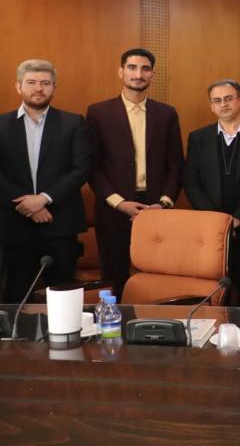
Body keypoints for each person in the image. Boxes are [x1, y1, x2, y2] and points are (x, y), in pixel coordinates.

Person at [85, 48, 184, 297]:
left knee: (158, 279)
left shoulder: (167, 114)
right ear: (121, 72)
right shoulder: (98, 113)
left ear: (152, 74)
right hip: (114, 209)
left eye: (145, 69)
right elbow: (93, 167)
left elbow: (176, 165)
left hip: (156, 209)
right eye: (132, 67)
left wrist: (163, 203)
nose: (138, 74)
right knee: (114, 277)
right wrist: (119, 203)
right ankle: (113, 321)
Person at [0, 60, 90, 302]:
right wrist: (28, 204)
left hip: (60, 225)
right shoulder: (1, 125)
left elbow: (81, 169)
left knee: (64, 299)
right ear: (18, 86)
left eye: (45, 83)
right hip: (14, 228)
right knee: (15, 299)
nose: (38, 88)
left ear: (54, 88)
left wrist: (43, 199)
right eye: (31, 82)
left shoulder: (73, 123)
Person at [184, 79, 240, 305]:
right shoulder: (198, 138)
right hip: (211, 230)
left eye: (228, 99)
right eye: (217, 101)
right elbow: (191, 183)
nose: (223, 104)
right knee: (214, 291)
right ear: (211, 106)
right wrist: (218, 222)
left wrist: (239, 218)